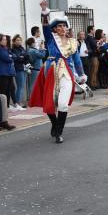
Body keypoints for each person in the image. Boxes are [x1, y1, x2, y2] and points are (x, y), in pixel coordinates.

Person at [28, 14, 87, 144]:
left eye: (64, 26)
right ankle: (54, 123)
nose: (62, 28)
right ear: (54, 29)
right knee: (49, 103)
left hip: (67, 73)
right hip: (51, 73)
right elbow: (45, 28)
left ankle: (59, 132)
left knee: (63, 104)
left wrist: (81, 74)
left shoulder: (73, 42)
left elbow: (77, 61)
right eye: (59, 26)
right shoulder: (51, 39)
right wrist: (44, 13)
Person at [0, 34, 17, 111]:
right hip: (3, 72)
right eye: (3, 39)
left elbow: (14, 56)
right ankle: (0, 106)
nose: (5, 41)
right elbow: (7, 58)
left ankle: (7, 106)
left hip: (9, 71)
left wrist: (11, 56)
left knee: (9, 89)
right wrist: (11, 56)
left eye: (6, 39)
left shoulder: (6, 48)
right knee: (3, 89)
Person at [11, 34, 29, 111]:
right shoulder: (13, 49)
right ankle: (17, 103)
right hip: (18, 69)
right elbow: (17, 58)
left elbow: (27, 57)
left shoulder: (22, 48)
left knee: (22, 86)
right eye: (17, 40)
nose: (19, 41)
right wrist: (22, 57)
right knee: (20, 86)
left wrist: (22, 57)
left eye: (20, 40)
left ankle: (20, 102)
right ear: (14, 42)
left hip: (24, 68)